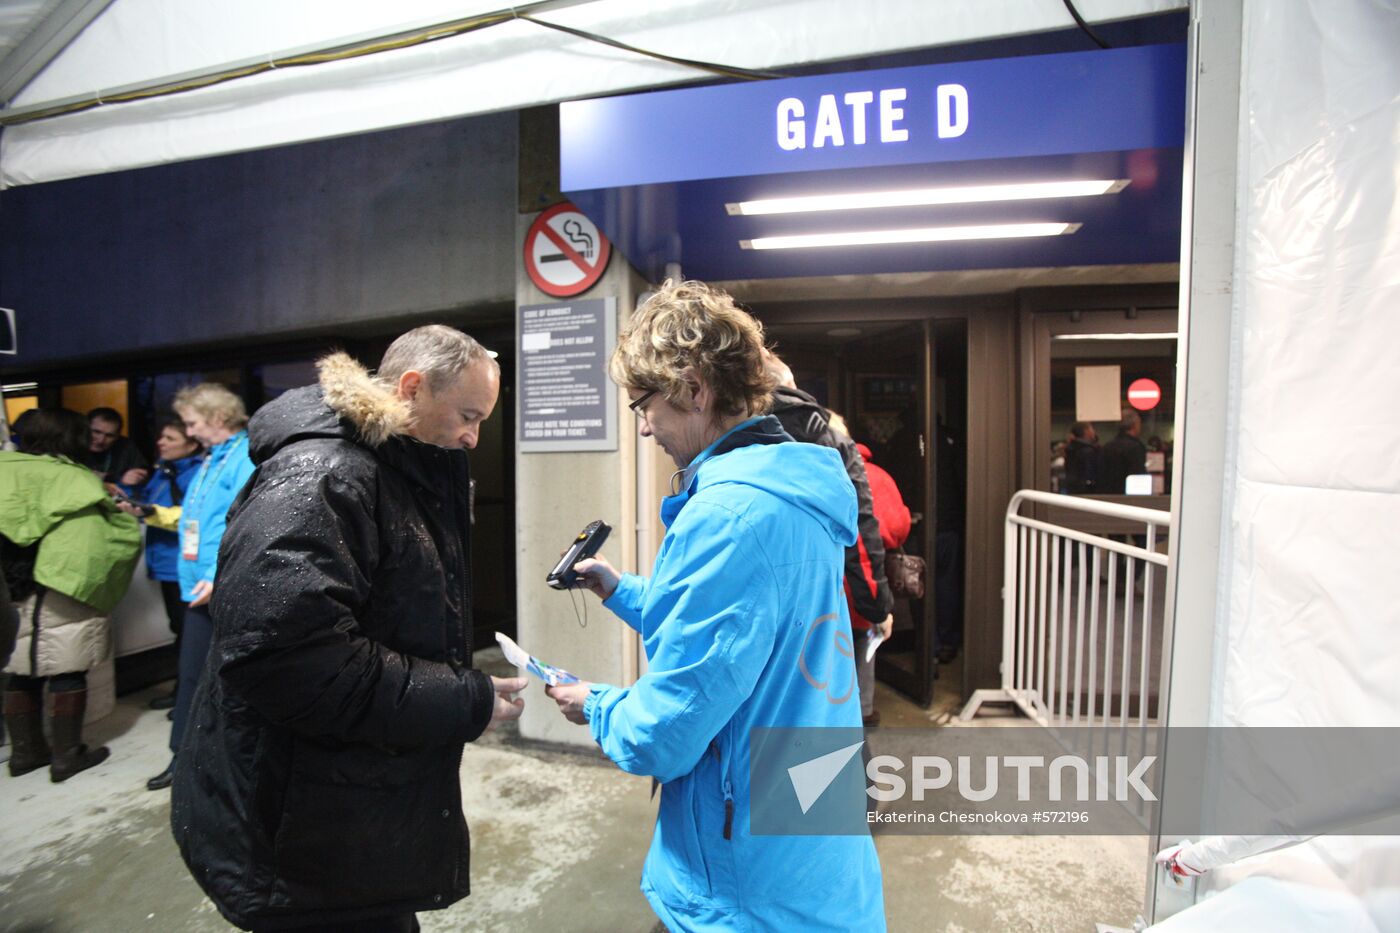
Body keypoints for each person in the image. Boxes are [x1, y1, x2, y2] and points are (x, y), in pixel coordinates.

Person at [545, 281, 885, 932]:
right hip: (811, 832)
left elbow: (663, 734)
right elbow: (746, 632)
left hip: (748, 880)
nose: (644, 425)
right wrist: (621, 590)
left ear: (695, 389)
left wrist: (593, 703)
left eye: (644, 403)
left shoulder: (728, 516)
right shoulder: (796, 490)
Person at [170, 326, 526, 933]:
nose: (473, 436)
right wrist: (463, 697)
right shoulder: (324, 476)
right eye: (468, 415)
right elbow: (289, 660)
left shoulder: (392, 471)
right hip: (299, 831)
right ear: (411, 389)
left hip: (346, 808)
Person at [1, 408, 141, 781]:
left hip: (14, 584)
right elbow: (99, 543)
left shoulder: (5, 469)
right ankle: (67, 756)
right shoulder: (71, 479)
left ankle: (25, 754)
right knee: (67, 664)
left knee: (21, 666)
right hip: (60, 581)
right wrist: (125, 519)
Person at [145, 384, 256, 791]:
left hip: (219, 586)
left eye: (193, 422)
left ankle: (198, 762)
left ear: (217, 418)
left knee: (207, 677)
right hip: (198, 583)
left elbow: (242, 523)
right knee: (194, 675)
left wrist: (219, 574)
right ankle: (188, 759)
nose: (190, 432)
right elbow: (197, 521)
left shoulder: (244, 457)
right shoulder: (211, 460)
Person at [764, 350, 895, 674]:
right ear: (790, 385)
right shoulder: (829, 441)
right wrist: (877, 607)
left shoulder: (725, 433)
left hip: (753, 602)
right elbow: (860, 529)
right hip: (816, 599)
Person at [115, 418, 205, 709]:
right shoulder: (162, 472)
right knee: (179, 628)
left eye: (170, 438)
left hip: (187, 563)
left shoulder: (198, 474)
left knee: (191, 631)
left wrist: (152, 512)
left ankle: (188, 696)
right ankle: (184, 692)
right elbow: (148, 502)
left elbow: (193, 517)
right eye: (162, 436)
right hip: (166, 563)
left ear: (191, 444)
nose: (161, 442)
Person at [831, 420, 911, 727]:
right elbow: (895, 527)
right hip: (864, 581)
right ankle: (863, 711)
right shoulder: (877, 476)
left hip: (823, 588)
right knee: (864, 645)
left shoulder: (805, 474)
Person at [84, 406, 149, 489]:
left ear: (117, 437)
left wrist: (136, 478)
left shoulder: (126, 447)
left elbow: (143, 476)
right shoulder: (72, 445)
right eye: (96, 432)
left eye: (109, 436)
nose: (101, 440)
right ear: (85, 428)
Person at [1101, 408, 1149, 495]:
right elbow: (1137, 475)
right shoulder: (1135, 447)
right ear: (1134, 425)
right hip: (1128, 496)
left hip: (1108, 494)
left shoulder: (1107, 446)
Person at [1063, 421, 1102, 495]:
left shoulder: (1070, 449)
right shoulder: (1089, 451)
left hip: (1073, 488)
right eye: (1092, 429)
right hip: (1087, 489)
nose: (1094, 432)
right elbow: (1092, 472)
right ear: (1086, 431)